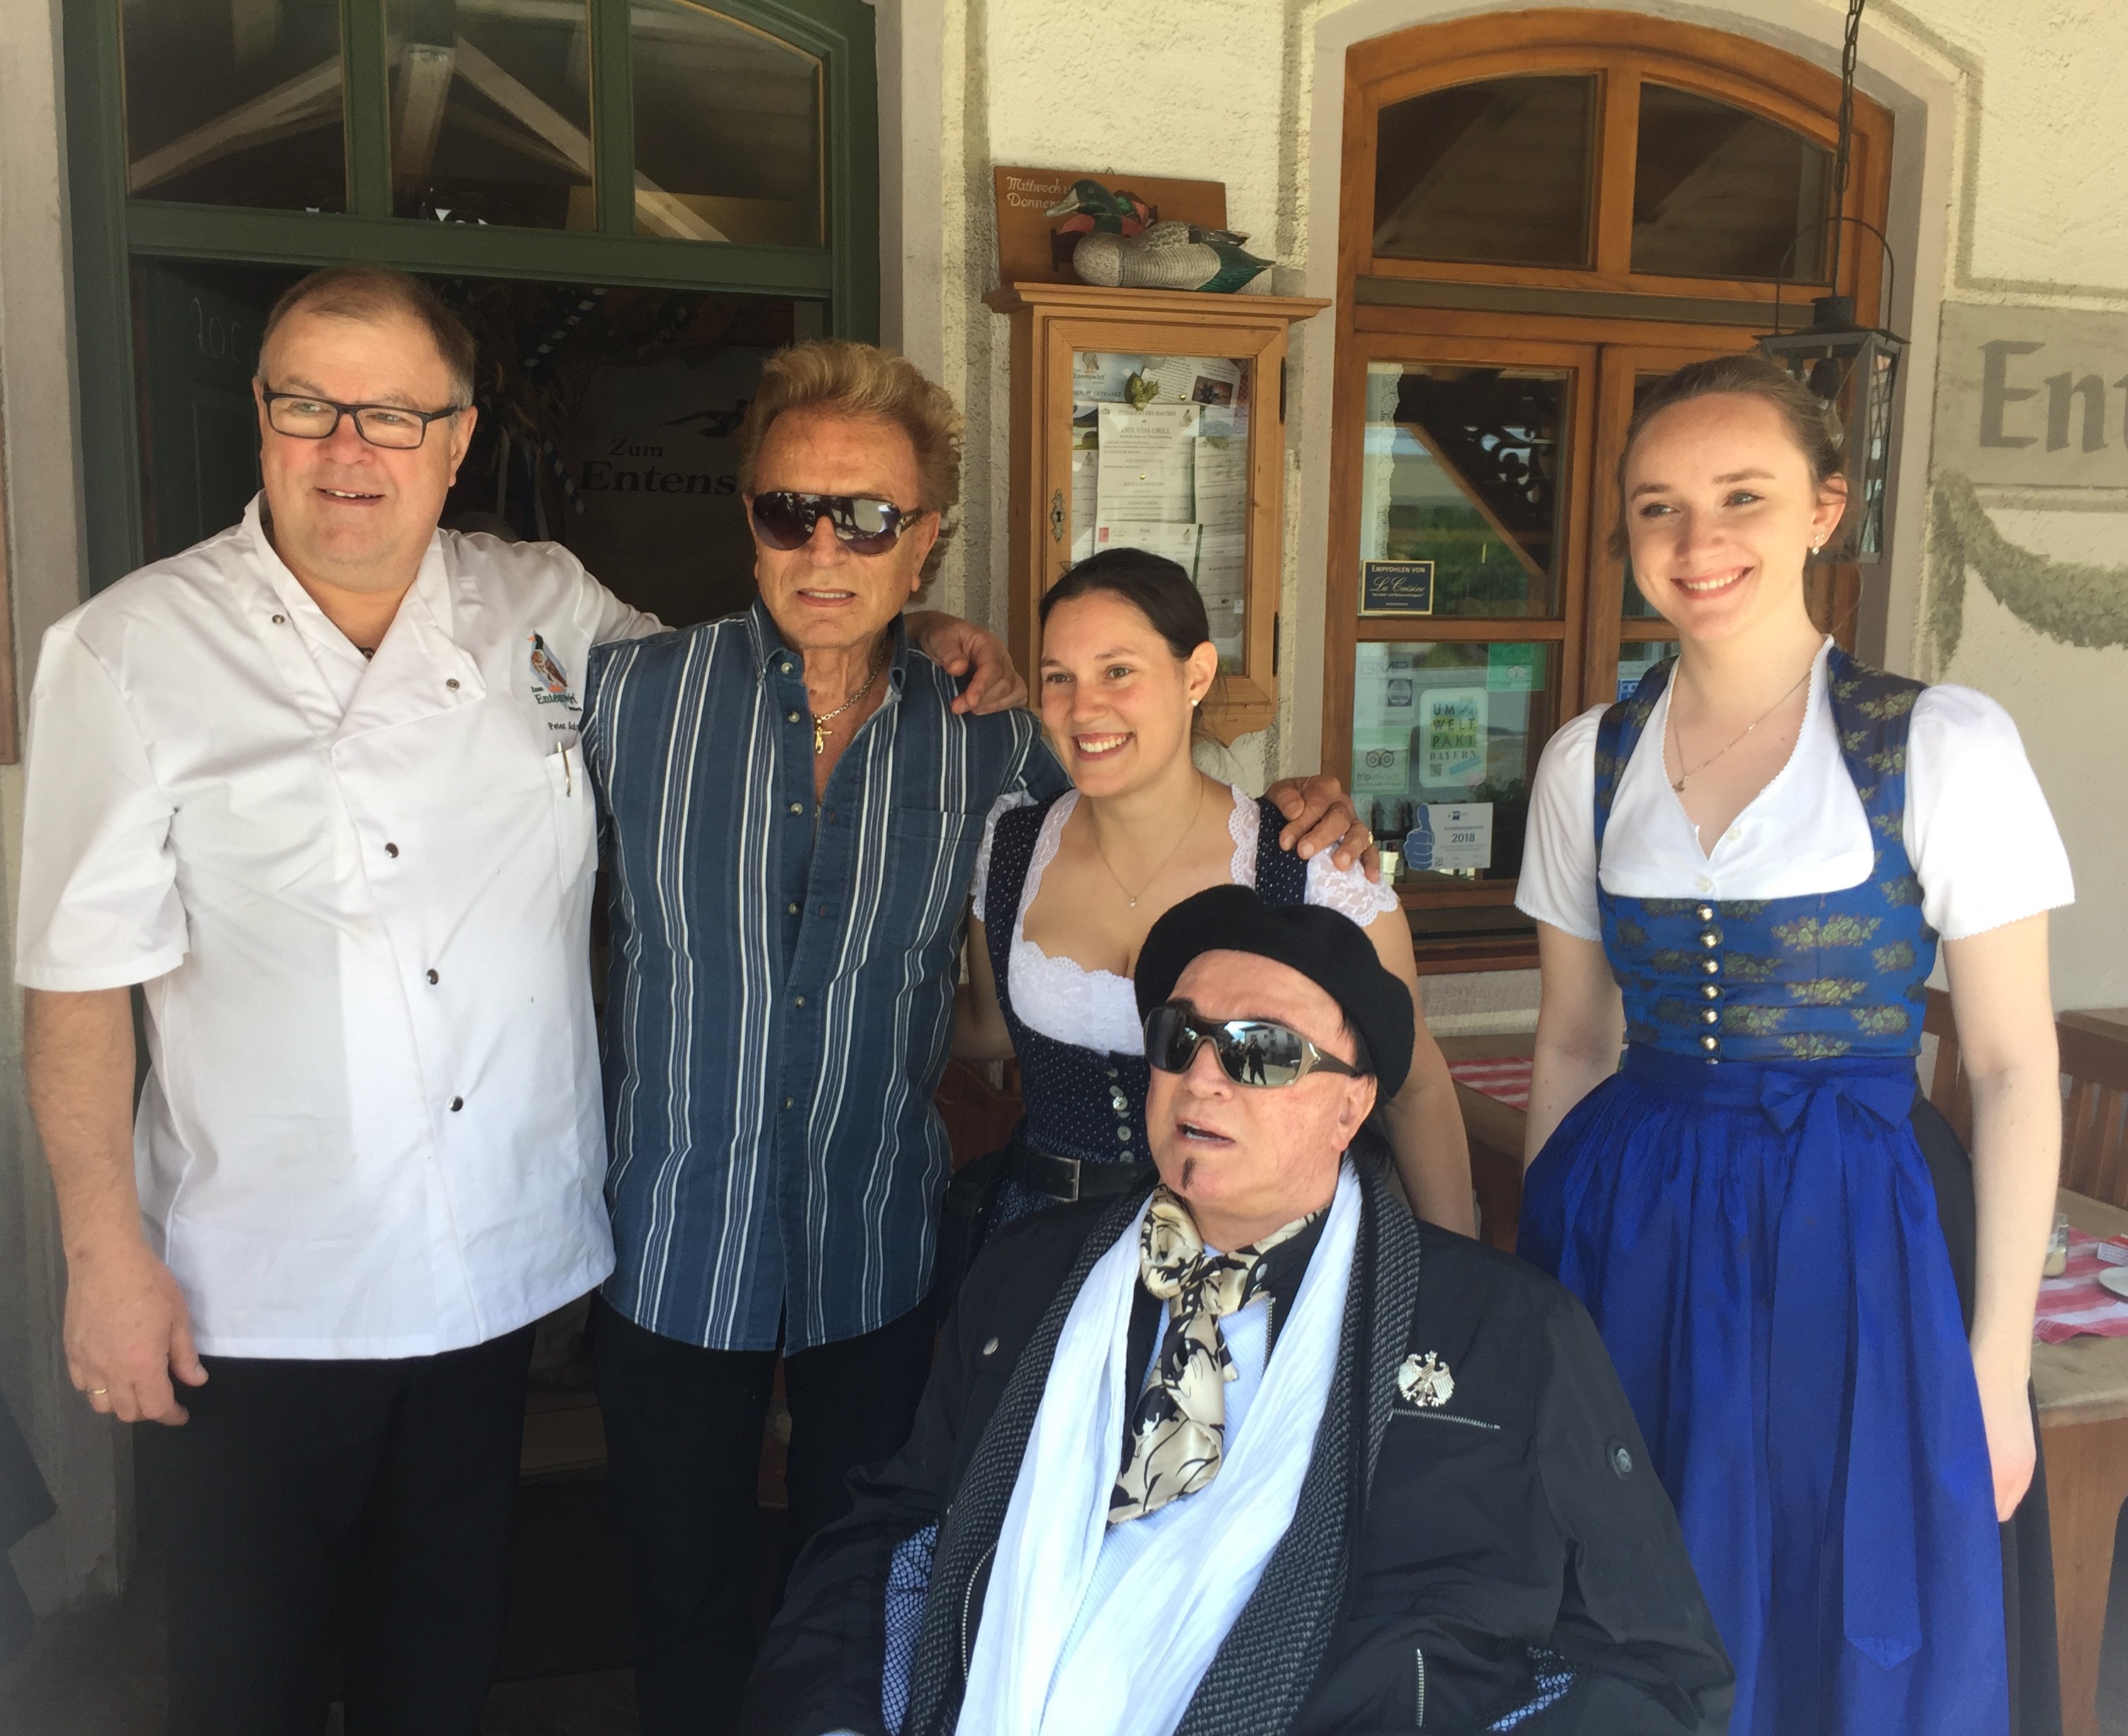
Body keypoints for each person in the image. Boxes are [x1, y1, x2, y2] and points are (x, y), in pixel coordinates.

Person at [13, 266, 1018, 1735]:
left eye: (393, 415)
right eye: (309, 406)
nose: (349, 449)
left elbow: (796, 672)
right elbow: (76, 979)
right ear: (261, 415)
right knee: (248, 1673)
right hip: (259, 1280)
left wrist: (929, 635)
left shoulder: (544, 606)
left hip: (493, 1272)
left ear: (457, 438)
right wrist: (103, 1255)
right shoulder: (129, 651)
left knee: (447, 1657)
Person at [580, 340, 1369, 1736]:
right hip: (673, 1241)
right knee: (674, 1592)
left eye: (868, 517)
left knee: (864, 1589)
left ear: (925, 538)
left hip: (878, 1249)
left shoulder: (990, 739)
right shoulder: (629, 698)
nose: (827, 550)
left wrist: (1301, 810)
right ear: (748, 520)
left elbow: (1150, 795)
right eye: (790, 512)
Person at [744, 887, 1735, 1736]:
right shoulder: (1029, 1275)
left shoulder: (1506, 1337)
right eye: (1180, 1039)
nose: (1204, 1075)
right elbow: (895, 1534)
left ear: (1352, 1106)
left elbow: (1652, 1670)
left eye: (1263, 1051)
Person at [1515, 353, 2070, 1736]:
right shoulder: (1589, 760)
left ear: (1824, 509)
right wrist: (1534, 1308)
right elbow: (1572, 1044)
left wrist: (1992, 1367)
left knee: (1844, 1564)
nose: (1695, 541)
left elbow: (2011, 1066)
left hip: (1862, 1220)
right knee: (1640, 1561)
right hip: (1632, 1220)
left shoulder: (1936, 744)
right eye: (1657, 506)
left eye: (1741, 497)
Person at [952, 548, 1473, 1234]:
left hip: (1260, 1258)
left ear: (1195, 674)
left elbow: (1414, 1092)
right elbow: (992, 1026)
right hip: (1043, 1239)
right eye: (1058, 677)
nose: (1083, 708)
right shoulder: (1012, 847)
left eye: (1118, 671)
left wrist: (1459, 1271)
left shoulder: (1308, 862)